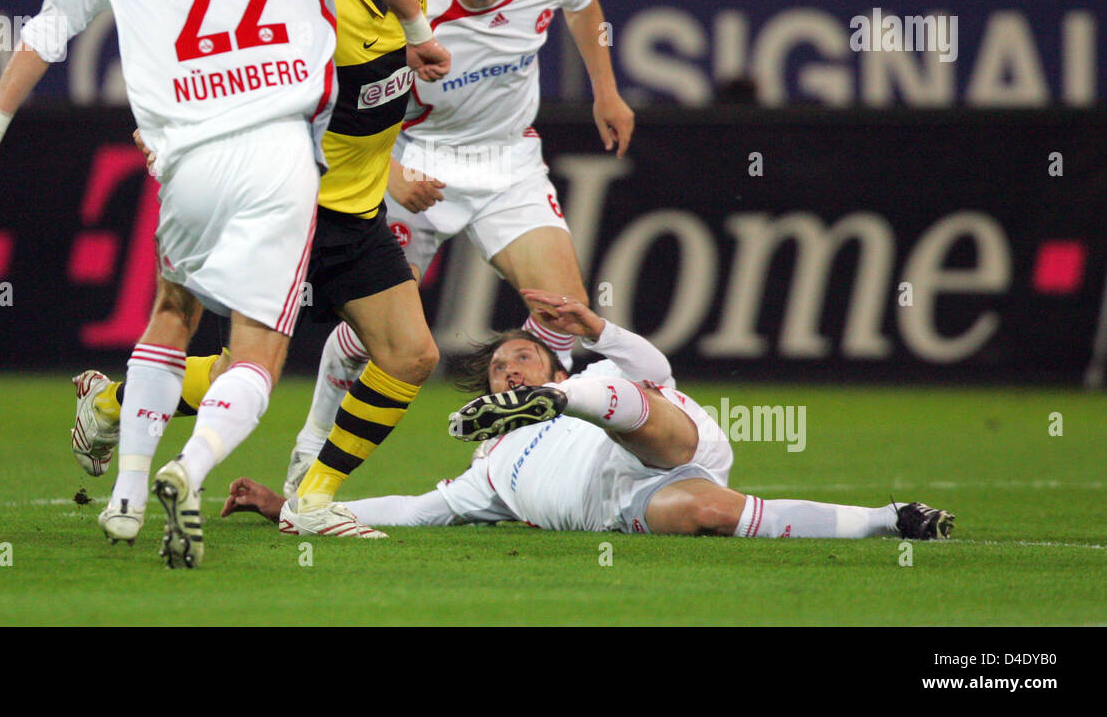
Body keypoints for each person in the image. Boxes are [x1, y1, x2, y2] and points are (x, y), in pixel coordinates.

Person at [0, 0, 447, 567]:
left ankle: (139, 488)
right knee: (255, 355)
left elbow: (47, 28)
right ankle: (191, 464)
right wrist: (417, 30)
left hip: (197, 157)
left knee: (176, 319)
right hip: (281, 160)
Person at [67, 0, 553, 539]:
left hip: (354, 217)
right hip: (290, 212)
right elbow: (227, 57)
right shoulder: (315, 7)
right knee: (246, 370)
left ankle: (309, 496)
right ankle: (116, 416)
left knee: (410, 354)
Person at [283, 0, 634, 498]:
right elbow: (354, 93)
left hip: (509, 165)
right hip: (419, 161)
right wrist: (392, 168)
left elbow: (586, 6)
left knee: (563, 311)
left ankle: (528, 455)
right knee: (376, 334)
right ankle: (311, 445)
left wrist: (605, 90)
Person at [223, 291, 956, 542]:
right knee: (705, 510)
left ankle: (573, 403)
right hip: (627, 501)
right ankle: (891, 520)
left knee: (633, 398)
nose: (510, 366)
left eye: (523, 361)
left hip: (656, 430)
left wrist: (595, 326)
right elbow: (412, 509)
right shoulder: (485, 473)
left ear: (553, 366)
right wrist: (289, 503)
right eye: (502, 369)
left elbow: (654, 370)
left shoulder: (596, 371)